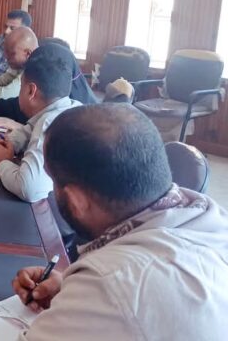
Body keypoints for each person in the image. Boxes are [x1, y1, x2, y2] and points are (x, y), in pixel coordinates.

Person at [12, 104, 228, 340]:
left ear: (76, 200)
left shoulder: (109, 284)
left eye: (52, 179)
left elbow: (123, 288)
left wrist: (87, 296)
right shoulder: (211, 218)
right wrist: (69, 287)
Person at [0, 44, 82, 202]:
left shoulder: (50, 123)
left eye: (20, 86)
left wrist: (0, 161)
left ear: (31, 91)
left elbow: (29, 188)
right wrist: (9, 143)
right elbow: (28, 130)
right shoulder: (69, 107)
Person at [0, 38, 98, 125]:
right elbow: (15, 105)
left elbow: (47, 137)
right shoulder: (43, 89)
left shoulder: (78, 113)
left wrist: (16, 127)